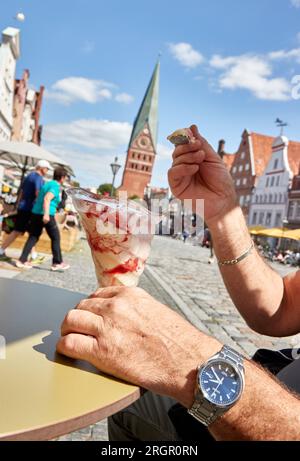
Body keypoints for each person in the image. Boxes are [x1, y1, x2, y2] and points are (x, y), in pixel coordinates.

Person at [56, 125, 300, 441]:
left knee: (130, 408)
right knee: (129, 405)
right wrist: (223, 208)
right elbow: (282, 306)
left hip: (260, 418)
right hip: (272, 379)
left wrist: (195, 363)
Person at [17, 167, 70, 271]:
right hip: (46, 214)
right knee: (55, 237)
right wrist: (46, 214)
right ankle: (57, 263)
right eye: (65, 177)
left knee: (33, 237)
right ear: (62, 177)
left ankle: (22, 260)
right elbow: (47, 198)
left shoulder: (47, 184)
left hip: (36, 212)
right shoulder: (55, 186)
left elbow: (40, 198)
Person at [0, 160, 51, 259]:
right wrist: (41, 207)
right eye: (46, 168)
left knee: (31, 232)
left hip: (23, 207)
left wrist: (18, 205)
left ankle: (33, 255)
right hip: (30, 208)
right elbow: (38, 193)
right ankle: (1, 250)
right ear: (41, 168)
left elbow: (21, 192)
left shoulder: (29, 176)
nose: (47, 170)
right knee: (18, 231)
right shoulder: (38, 178)